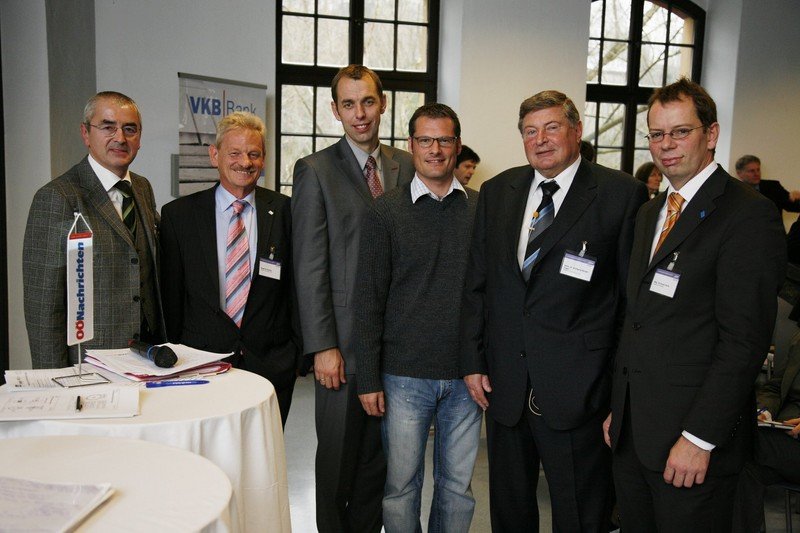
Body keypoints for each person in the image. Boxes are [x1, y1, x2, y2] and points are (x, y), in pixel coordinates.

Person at [460, 90, 648, 532]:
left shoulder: (621, 194)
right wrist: (472, 361)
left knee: (580, 514)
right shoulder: (498, 191)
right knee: (510, 512)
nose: (540, 140)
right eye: (530, 131)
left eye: (551, 128)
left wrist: (617, 392)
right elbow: (477, 284)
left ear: (576, 131)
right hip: (506, 385)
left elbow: (629, 303)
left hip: (580, 391)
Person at [604, 78, 786, 532]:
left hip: (692, 443)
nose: (666, 145)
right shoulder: (650, 212)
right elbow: (636, 319)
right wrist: (619, 408)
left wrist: (699, 438)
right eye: (657, 134)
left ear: (711, 134)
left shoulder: (748, 214)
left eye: (680, 132)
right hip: (634, 434)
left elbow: (743, 342)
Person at [291, 64, 415, 533]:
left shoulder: (407, 165)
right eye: (348, 104)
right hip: (341, 348)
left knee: (380, 467)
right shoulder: (315, 170)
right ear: (335, 110)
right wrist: (322, 345)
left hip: (396, 347)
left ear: (382, 104)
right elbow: (309, 267)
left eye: (367, 102)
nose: (359, 114)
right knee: (337, 464)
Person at [353, 103, 481, 532]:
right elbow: (368, 300)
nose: (435, 150)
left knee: (457, 488)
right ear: (411, 145)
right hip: (403, 376)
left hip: (466, 377)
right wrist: (368, 378)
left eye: (444, 140)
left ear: (457, 145)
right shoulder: (386, 211)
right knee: (401, 487)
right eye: (425, 140)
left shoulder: (481, 209)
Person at [160, 112, 301, 425]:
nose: (245, 162)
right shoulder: (178, 217)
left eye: (254, 154)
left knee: (263, 451)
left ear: (264, 159)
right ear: (215, 155)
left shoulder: (286, 211)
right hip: (200, 366)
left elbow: (297, 289)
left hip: (271, 367)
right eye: (234, 153)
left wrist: (295, 355)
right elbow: (171, 300)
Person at [23, 91, 164, 368]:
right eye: (108, 127)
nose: (120, 138)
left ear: (139, 137)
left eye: (130, 129)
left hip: (149, 356)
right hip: (90, 363)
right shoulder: (58, 197)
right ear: (86, 133)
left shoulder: (142, 188)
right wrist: (53, 380)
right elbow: (43, 305)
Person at [733, 334, 800, 532]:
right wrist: (762, 412)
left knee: (739, 443)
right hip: (783, 436)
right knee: (743, 466)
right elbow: (775, 386)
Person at [736, 154, 800, 213]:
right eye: (751, 171)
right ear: (739, 173)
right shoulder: (735, 191)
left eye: (758, 170)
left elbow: (793, 206)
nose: (756, 174)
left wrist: (797, 198)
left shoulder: (773, 186)